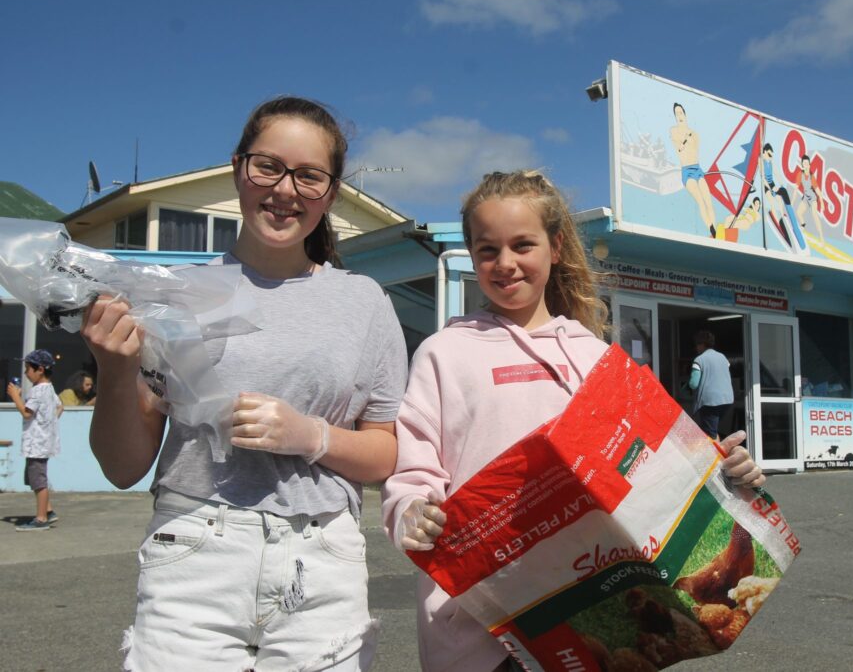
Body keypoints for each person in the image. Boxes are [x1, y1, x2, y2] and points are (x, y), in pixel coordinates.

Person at [382, 170, 766, 672]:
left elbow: (658, 465)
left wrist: (727, 473)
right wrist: (411, 510)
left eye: (523, 245)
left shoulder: (595, 356)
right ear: (471, 255)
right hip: (479, 624)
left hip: (587, 606)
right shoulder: (443, 353)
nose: (505, 263)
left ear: (556, 247)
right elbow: (413, 471)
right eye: (487, 250)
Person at [81, 96, 407, 671]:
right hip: (193, 553)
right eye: (268, 167)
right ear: (238, 169)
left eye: (309, 176)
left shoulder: (365, 303)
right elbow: (123, 467)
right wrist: (114, 370)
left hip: (321, 559)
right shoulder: (171, 296)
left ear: (331, 193)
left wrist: (311, 436)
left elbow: (386, 454)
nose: (285, 190)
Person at [7, 349, 63, 531]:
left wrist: (15, 396)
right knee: (34, 479)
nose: (25, 373)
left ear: (40, 369)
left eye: (28, 369)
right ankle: (48, 511)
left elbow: (26, 413)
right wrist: (49, 423)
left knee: (38, 481)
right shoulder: (49, 389)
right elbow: (60, 407)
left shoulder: (37, 391)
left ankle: (41, 519)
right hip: (42, 442)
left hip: (37, 444)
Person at [670, 103, 717, 237]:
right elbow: (679, 148)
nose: (679, 116)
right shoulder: (674, 130)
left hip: (697, 169)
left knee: (709, 202)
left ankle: (715, 233)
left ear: (685, 114)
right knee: (700, 201)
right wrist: (686, 139)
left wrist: (690, 139)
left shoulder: (695, 133)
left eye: (681, 113)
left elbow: (696, 150)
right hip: (687, 171)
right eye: (677, 114)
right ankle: (711, 228)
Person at [689, 330, 735, 439]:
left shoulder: (699, 360)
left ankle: (712, 449)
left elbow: (693, 384)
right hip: (727, 400)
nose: (696, 348)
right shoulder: (723, 357)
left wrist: (689, 382)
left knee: (709, 434)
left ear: (702, 344)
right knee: (712, 428)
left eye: (697, 344)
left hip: (710, 402)